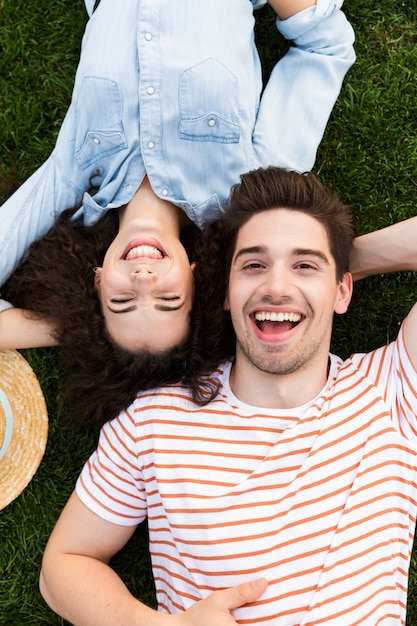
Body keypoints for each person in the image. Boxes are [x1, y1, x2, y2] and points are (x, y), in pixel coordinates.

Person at [39, 166, 417, 624]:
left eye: (304, 265)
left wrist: (346, 257)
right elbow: (63, 565)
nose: (277, 288)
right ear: (224, 292)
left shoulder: (394, 388)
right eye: (254, 264)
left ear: (343, 290)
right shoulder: (155, 419)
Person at [0, 0, 355, 427]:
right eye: (168, 300)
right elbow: (325, 47)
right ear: (197, 275)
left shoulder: (75, 172)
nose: (143, 281)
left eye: (120, 301)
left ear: (96, 281)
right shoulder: (248, 186)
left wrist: (76, 329)